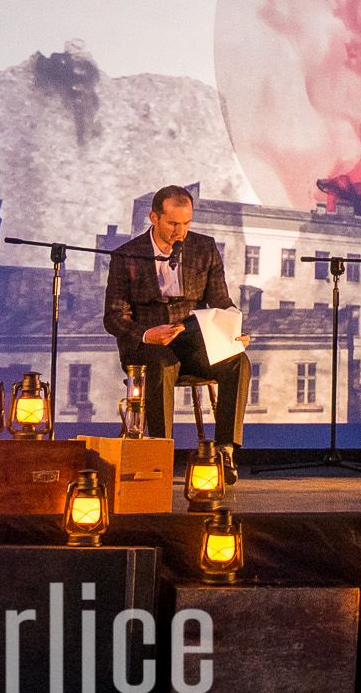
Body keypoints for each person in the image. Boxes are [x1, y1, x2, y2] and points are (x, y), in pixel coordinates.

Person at [103, 185, 251, 481]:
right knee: (162, 363)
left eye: (186, 224)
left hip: (192, 340)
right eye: (172, 224)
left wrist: (232, 330)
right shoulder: (127, 255)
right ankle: (161, 451)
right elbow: (114, 317)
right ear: (154, 218)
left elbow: (221, 302)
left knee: (238, 361)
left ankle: (224, 451)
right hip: (147, 343)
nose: (179, 232)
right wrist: (147, 334)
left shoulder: (204, 248)